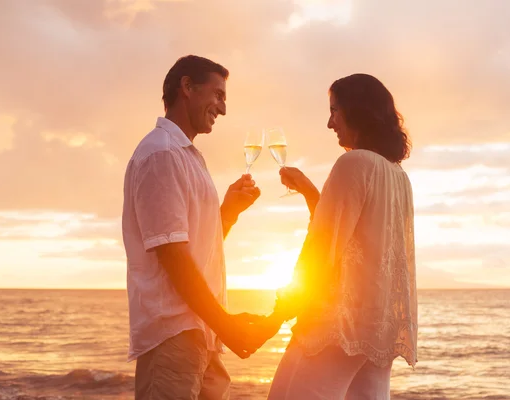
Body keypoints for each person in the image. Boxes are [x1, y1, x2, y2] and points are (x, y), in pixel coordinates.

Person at [265, 73, 418, 399]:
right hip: (376, 330)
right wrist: (309, 191)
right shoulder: (398, 177)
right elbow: (353, 239)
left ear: (357, 111)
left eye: (335, 110)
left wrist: (279, 312)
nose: (330, 123)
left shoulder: (354, 163)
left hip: (337, 326)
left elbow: (322, 248)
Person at [121, 55, 265, 400]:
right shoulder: (161, 154)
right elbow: (173, 257)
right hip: (175, 333)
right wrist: (226, 323)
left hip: (202, 334)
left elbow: (196, 247)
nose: (223, 108)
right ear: (187, 87)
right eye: (218, 95)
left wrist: (227, 213)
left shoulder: (187, 156)